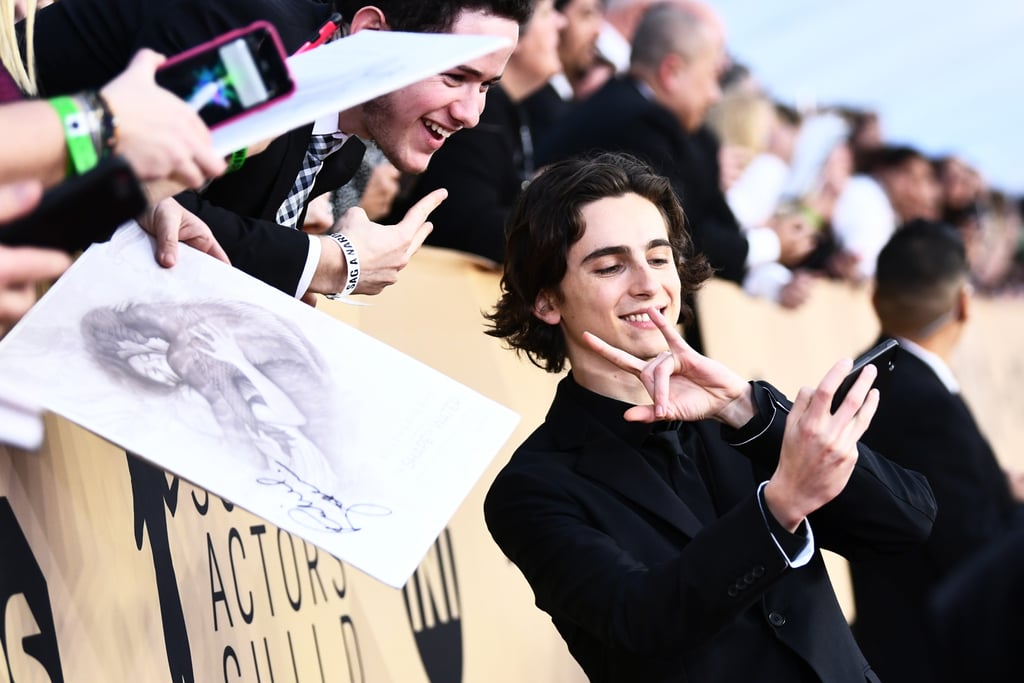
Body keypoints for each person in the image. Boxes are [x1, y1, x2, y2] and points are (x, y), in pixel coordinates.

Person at [482, 152, 937, 682]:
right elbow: (640, 621)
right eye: (610, 266)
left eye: (657, 258)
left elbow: (907, 523)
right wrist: (780, 508)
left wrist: (745, 408)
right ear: (546, 301)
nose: (648, 284)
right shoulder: (532, 489)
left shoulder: (745, 418)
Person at [26, 0, 530, 300]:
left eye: (486, 86)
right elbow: (142, 201)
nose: (471, 113)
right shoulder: (251, 43)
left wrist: (300, 264)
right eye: (455, 76)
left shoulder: (345, 148)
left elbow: (206, 247)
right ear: (373, 35)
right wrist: (334, 262)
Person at [536, 2, 815, 349]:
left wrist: (770, 276)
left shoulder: (671, 127)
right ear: (671, 71)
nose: (716, 96)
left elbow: (716, 224)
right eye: (713, 76)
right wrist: (772, 244)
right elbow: (679, 237)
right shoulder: (635, 122)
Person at [848, 219, 1024, 683]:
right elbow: (975, 546)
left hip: (886, 638)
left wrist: (994, 485)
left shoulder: (858, 379)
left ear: (875, 298)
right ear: (964, 302)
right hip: (937, 653)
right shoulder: (926, 404)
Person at [384, 0, 565, 264]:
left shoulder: (507, 110)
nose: (562, 22)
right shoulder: (482, 114)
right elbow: (471, 228)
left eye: (485, 86)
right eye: (548, 12)